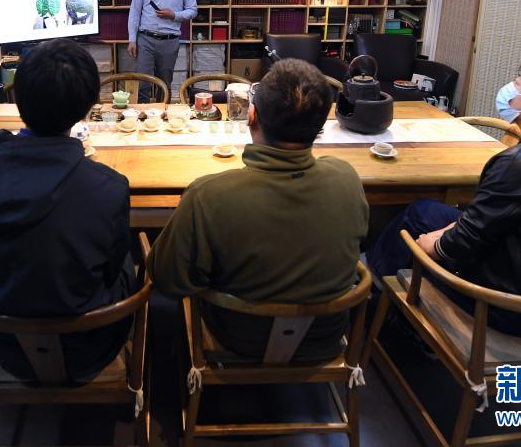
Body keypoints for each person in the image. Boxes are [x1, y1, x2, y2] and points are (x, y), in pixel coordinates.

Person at [368, 56, 521, 337]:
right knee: (423, 212)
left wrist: (431, 245)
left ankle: (375, 304)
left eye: (520, 81)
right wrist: (448, 230)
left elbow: (464, 241)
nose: (512, 85)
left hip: (512, 306)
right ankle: (383, 288)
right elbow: (491, 219)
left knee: (414, 237)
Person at [0, 38, 134, 380]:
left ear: (16, 97)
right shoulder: (109, 188)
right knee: (134, 254)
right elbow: (111, 270)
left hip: (3, 344)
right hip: (87, 348)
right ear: (88, 106)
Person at [147, 59, 368, 360]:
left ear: (251, 116)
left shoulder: (208, 195)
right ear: (320, 127)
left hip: (237, 335)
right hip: (325, 335)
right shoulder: (347, 179)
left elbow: (167, 278)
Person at [127, 0, 198, 102]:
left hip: (169, 40)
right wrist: (132, 39)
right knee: (142, 83)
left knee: (164, 84)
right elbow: (135, 11)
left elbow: (193, 11)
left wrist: (174, 15)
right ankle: (142, 115)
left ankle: (161, 114)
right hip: (145, 38)